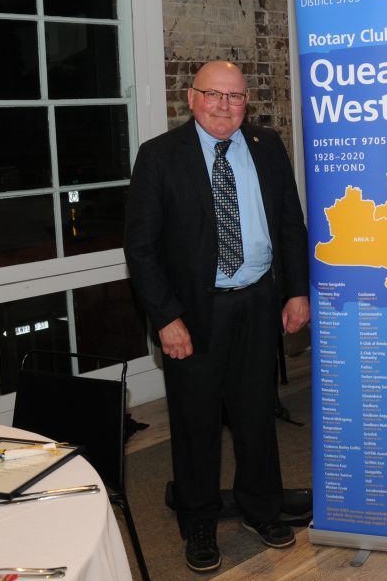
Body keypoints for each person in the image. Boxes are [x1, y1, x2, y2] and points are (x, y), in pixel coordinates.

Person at [124, 60, 310, 574]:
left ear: (246, 101)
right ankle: (198, 519)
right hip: (193, 312)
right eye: (214, 95)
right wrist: (165, 319)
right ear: (191, 97)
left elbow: (291, 226)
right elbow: (140, 250)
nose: (225, 106)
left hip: (258, 302)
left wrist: (297, 292)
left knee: (255, 414)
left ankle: (261, 509)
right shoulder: (160, 157)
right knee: (196, 421)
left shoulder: (266, 147)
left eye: (235, 97)